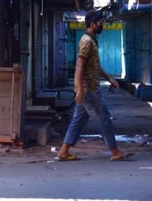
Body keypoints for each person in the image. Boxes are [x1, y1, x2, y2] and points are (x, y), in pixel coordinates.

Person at [57, 10, 134, 161]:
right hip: (89, 90)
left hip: (87, 89)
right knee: (104, 118)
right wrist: (80, 89)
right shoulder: (86, 41)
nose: (102, 25)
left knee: (78, 120)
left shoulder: (91, 40)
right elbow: (80, 66)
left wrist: (109, 78)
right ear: (93, 24)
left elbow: (95, 66)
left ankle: (63, 151)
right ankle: (114, 151)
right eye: (100, 22)